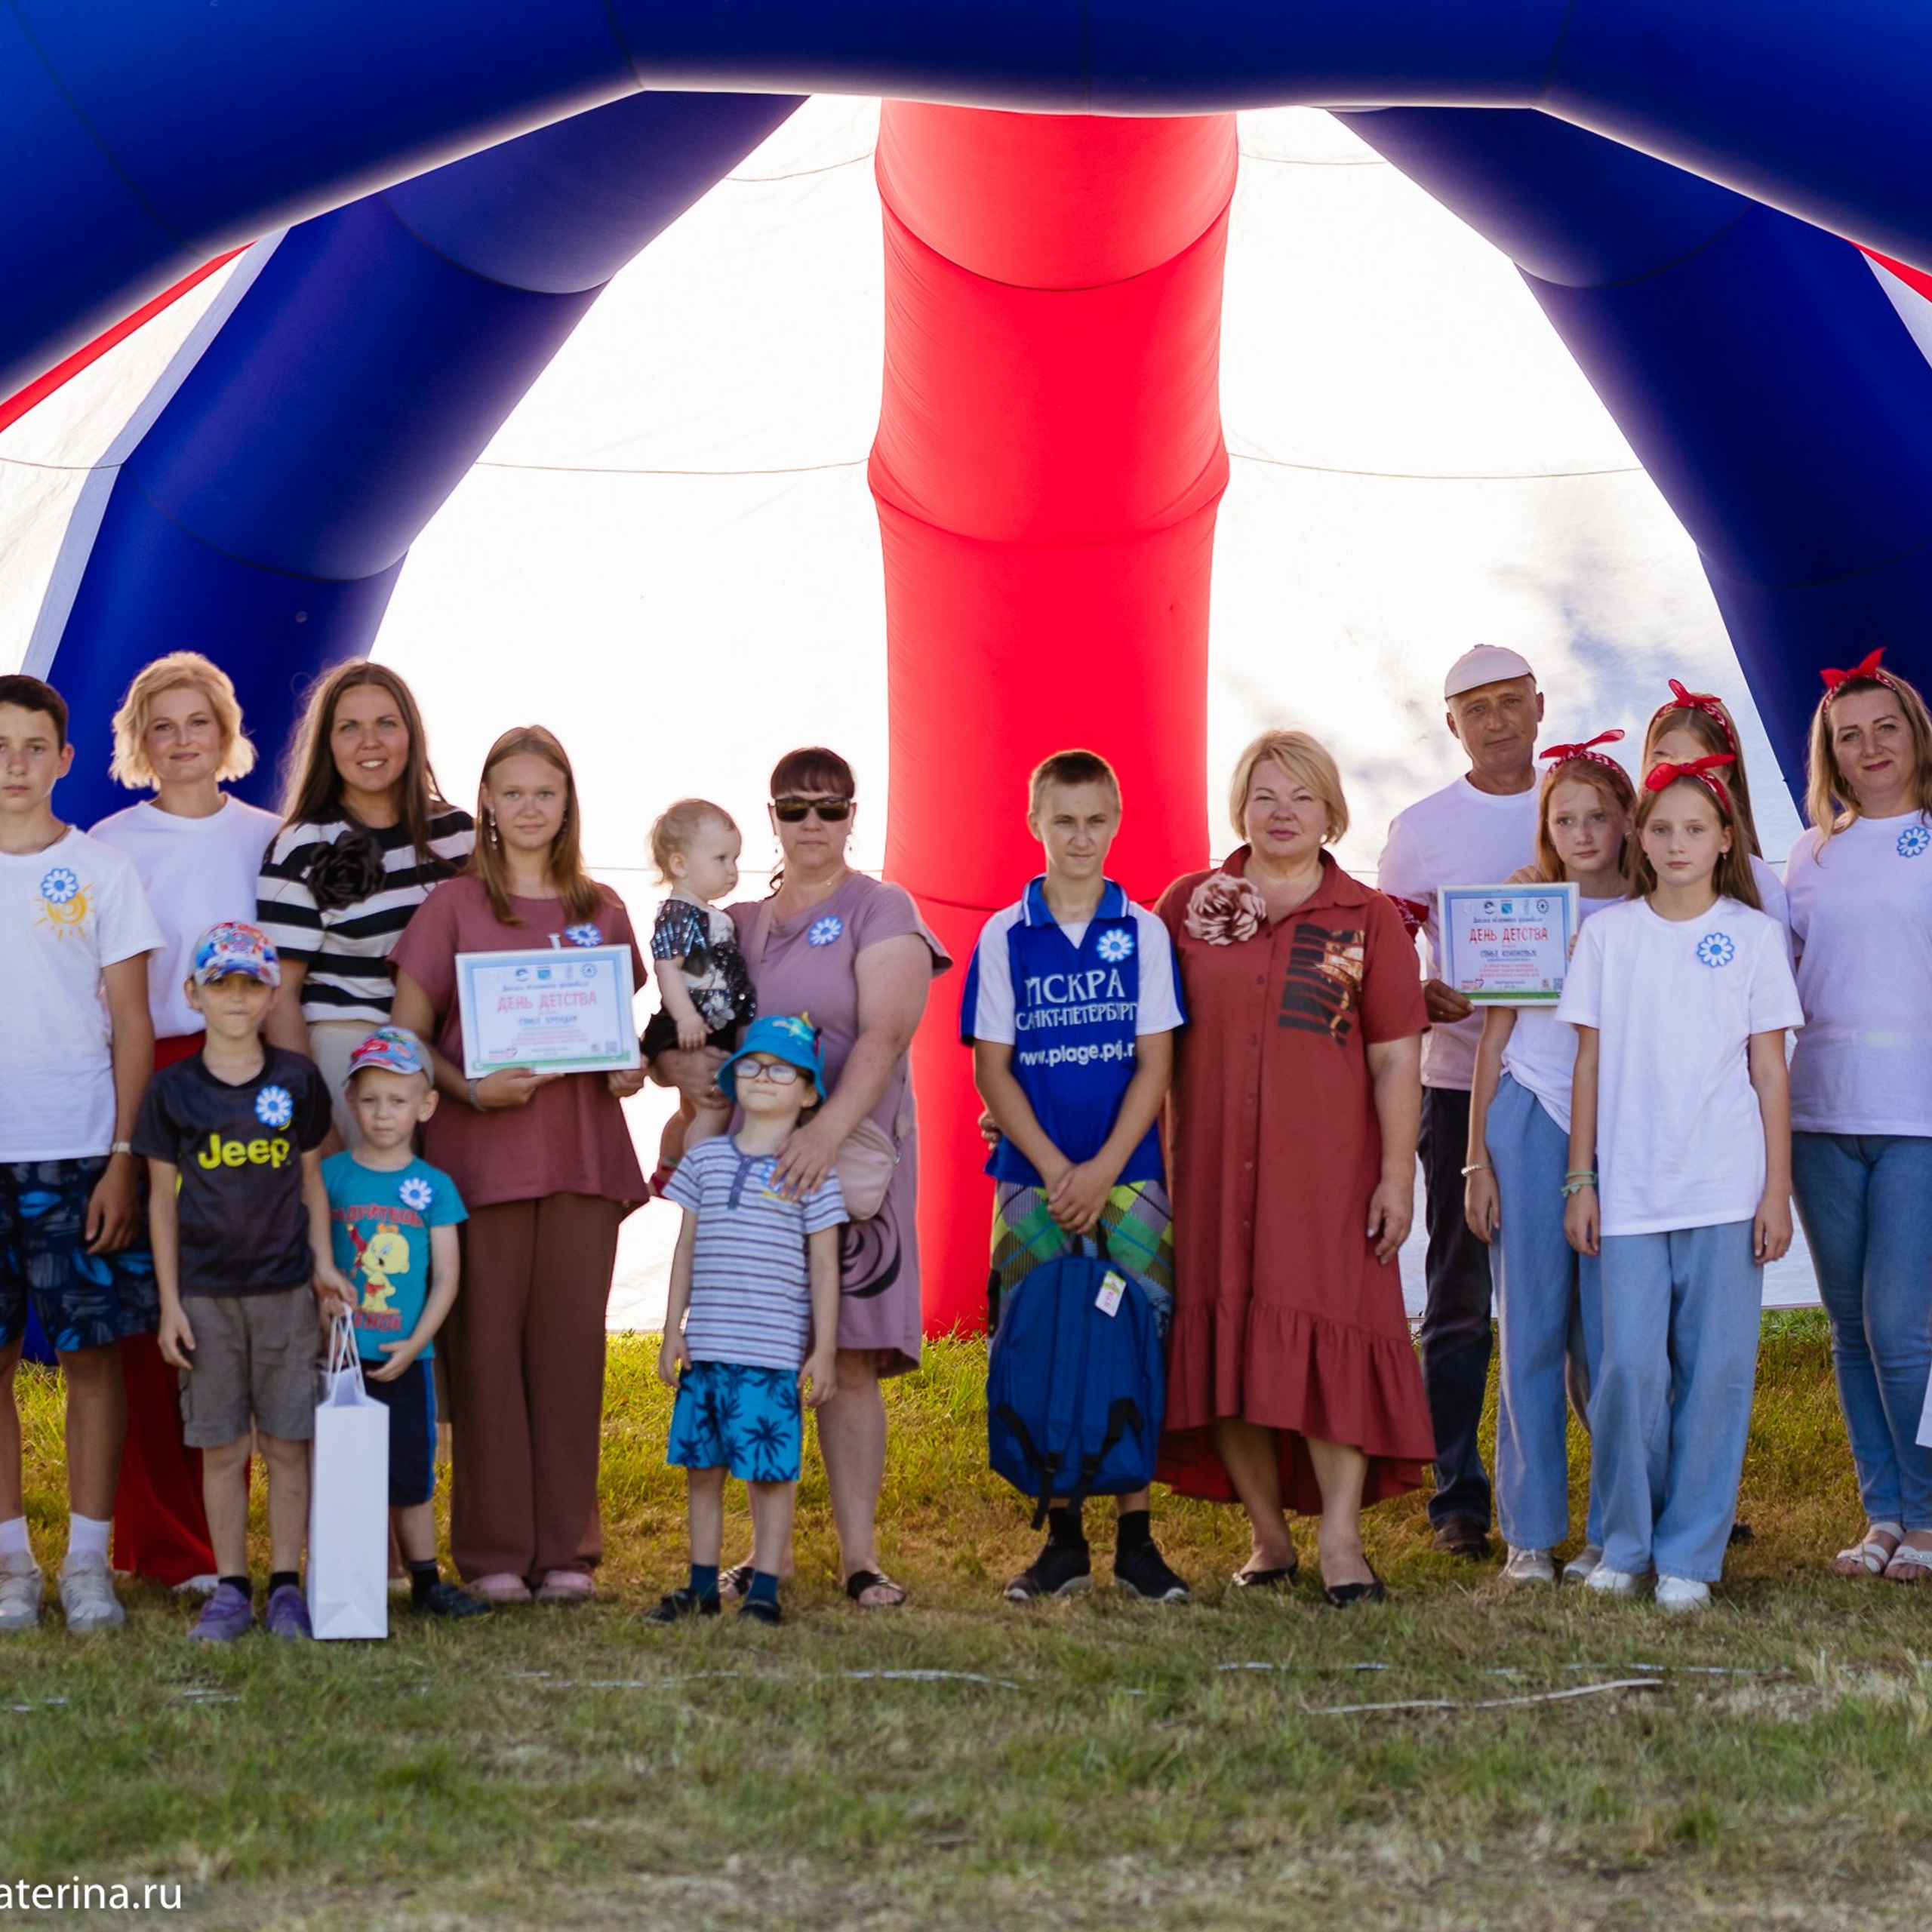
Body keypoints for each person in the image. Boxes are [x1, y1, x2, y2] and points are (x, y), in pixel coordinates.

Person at [651, 747, 949, 1609]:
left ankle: (860, 1557)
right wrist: (678, 1071)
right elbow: (685, 1026)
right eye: (794, 808)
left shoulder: (881, 905)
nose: (811, 824)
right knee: (755, 1351)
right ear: (772, 816)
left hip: (850, 1164)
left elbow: (887, 1035)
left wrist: (821, 1133)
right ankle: (761, 1554)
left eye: (830, 807)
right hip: (750, 1174)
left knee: (847, 1354)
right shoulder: (733, 917)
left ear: (855, 815)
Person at [1157, 730, 1434, 1607]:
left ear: (1331, 814)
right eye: (1264, 795)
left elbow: (1396, 1057)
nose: (1282, 813)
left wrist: (1397, 1176)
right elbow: (1143, 1037)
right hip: (1206, 1170)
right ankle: (1269, 1537)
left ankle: (1343, 1541)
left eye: (1301, 797)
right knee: (1226, 1338)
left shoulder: (1369, 916)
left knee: (1331, 1345)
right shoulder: (1186, 904)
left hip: (1326, 1175)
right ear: (1239, 806)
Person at [389, 725, 648, 1605]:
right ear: (487, 804)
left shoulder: (602, 909)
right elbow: (405, 1041)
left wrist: (629, 1069)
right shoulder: (453, 908)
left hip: (580, 1159)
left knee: (570, 1355)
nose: (531, 807)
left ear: (568, 802)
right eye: (513, 792)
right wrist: (467, 1090)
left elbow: (621, 1041)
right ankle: (494, 1549)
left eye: (547, 791)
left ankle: (567, 1547)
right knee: (487, 1357)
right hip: (481, 1161)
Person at [1559, 755, 1801, 1610]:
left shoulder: (1752, 935)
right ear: (1639, 837)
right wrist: (1579, 1177)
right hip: (1626, 1190)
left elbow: (1770, 1073)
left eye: (1694, 828)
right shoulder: (1608, 938)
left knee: (1716, 1372)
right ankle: (1625, 1542)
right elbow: (1587, 1063)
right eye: (1660, 828)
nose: (1676, 842)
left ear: (1724, 838)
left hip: (1726, 1187)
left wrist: (1776, 1190)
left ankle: (1691, 1553)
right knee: (1625, 1368)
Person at [961, 748, 1190, 1603]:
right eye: (1064, 820)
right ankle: (1061, 1538)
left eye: (1096, 819)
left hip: (1128, 1174)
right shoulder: (1002, 934)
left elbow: (1155, 1063)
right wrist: (1061, 1170)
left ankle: (1136, 1536)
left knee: (1134, 1336)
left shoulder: (1145, 931)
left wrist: (1101, 1170)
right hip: (1032, 1176)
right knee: (1042, 1337)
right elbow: (993, 1070)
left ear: (1117, 820)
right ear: (1034, 824)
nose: (1080, 836)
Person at [92, 651, 280, 1591]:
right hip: (154, 1072)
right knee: (152, 1314)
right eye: (159, 726)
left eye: (195, 723)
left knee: (244, 1310)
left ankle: (262, 1536)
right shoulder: (109, 844)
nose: (179, 741)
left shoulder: (270, 837)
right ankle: (166, 1544)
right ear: (138, 741)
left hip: (252, 1076)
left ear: (225, 732)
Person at [0, 674, 161, 1635]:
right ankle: (12, 1563)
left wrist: (123, 1156)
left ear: (64, 759)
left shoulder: (101, 873)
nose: (12, 765)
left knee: (94, 1360)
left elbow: (134, 1024)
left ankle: (90, 1563)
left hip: (78, 1154)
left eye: (31, 747)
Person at [1377, 644, 1543, 1560]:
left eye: (1509, 701)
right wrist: (1421, 995)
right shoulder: (1421, 827)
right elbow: (1384, 943)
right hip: (1456, 1084)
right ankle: (1457, 1493)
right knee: (1459, 1290)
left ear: (1538, 704)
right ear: (1451, 724)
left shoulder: (1586, 801)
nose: (1495, 721)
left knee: (1595, 1288)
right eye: (1474, 708)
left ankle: (1630, 1483)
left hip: (1576, 1081)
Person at [134, 922, 341, 1642]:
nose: (235, 997)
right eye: (220, 983)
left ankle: (286, 1586)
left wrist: (321, 1268)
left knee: (288, 1442)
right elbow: (160, 1200)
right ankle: (231, 1587)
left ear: (271, 992)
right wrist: (169, 1304)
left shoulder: (296, 1080)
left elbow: (313, 1182)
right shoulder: (171, 1092)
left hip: (284, 1292)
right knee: (223, 1448)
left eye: (250, 983)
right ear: (192, 993)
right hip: (205, 1297)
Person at [1464, 732, 1635, 1586]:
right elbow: (1491, 1042)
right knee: (1529, 1324)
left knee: (1613, 1339)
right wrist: (1475, 1162)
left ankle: (1614, 1529)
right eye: (1563, 817)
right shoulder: (1529, 907)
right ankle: (1529, 1534)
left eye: (1596, 815)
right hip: (1529, 1114)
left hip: (1620, 1123)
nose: (1580, 830)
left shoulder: (1653, 910)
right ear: (1546, 827)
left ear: (1625, 822)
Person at [1783, 648, 1932, 1585]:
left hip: (1919, 1114)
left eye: (1885, 728)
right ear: (1829, 756)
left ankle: (1925, 1513)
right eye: (1849, 736)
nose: (1869, 747)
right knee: (1846, 1322)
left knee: (1902, 1322)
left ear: (1915, 737)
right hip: (1819, 1112)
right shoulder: (1808, 855)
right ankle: (1879, 1511)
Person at [647, 1015, 844, 1627]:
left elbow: (824, 1266)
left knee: (770, 1475)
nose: (763, 1077)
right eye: (751, 1066)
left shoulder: (812, 1172)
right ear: (732, 1081)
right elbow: (684, 1249)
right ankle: (701, 1585)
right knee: (702, 1472)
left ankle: (764, 1586)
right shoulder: (703, 1160)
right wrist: (671, 1329)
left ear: (807, 1092)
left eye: (780, 1069)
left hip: (772, 1356)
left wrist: (826, 1350)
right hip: (707, 1350)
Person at [257, 662, 472, 1145]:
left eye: (386, 724)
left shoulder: (459, 835)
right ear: (327, 745)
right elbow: (280, 997)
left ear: (411, 736)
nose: (369, 742)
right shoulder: (302, 845)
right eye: (349, 728)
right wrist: (318, 1122)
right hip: (353, 1058)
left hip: (450, 1056)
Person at [321, 1027, 489, 1620]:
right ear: (350, 1101)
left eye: (398, 1101)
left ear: (427, 1104)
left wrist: (420, 1341)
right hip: (341, 1361)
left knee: (412, 1475)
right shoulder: (331, 1178)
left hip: (406, 1358)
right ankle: (346, 1574)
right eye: (370, 1100)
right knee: (341, 1474)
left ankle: (425, 1581)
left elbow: (447, 1278)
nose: (383, 1114)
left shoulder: (434, 1188)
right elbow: (315, 1260)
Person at [642, 798, 756, 1183]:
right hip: (692, 1019)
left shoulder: (707, 913)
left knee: (693, 1107)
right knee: (714, 1104)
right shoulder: (681, 912)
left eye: (735, 859)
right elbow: (667, 967)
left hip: (708, 1019)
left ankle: (674, 1163)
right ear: (680, 864)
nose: (732, 871)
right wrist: (686, 1016)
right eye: (721, 859)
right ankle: (700, 1176)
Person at [1640, 678, 1788, 930]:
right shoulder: (1622, 872)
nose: (1679, 777)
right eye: (1663, 761)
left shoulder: (1759, 883)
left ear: (1727, 772)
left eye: (1697, 765)